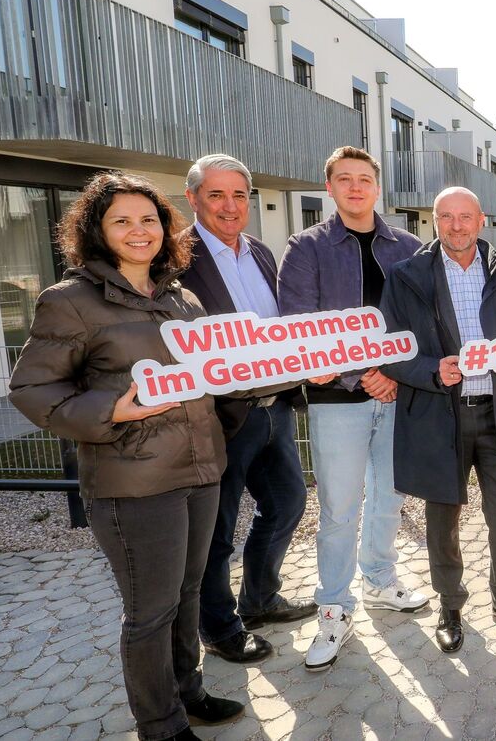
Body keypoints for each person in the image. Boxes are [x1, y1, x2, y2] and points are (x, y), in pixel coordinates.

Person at [9, 173, 244, 741]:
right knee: (150, 612)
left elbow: (217, 376)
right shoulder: (69, 302)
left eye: (149, 220)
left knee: (188, 595)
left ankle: (188, 693)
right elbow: (32, 392)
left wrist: (282, 368)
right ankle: (159, 726)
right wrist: (113, 410)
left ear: (165, 228)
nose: (139, 232)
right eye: (122, 221)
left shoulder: (181, 298)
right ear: (97, 230)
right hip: (133, 482)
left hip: (199, 471)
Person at [379, 186, 496, 653]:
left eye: (465, 217)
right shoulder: (406, 276)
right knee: (442, 515)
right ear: (434, 221)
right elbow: (390, 349)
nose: (457, 226)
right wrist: (431, 369)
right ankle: (450, 604)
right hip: (440, 414)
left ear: (481, 221)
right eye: (446, 217)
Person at [278, 146, 429, 671]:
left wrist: (392, 374)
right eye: (345, 179)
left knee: (390, 495)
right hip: (335, 399)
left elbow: (421, 323)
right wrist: (355, 372)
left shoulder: (408, 246)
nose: (356, 187)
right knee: (339, 510)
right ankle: (335, 607)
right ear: (331, 188)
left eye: (364, 178)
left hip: (396, 394)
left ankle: (381, 579)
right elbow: (299, 321)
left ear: (377, 187)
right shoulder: (307, 248)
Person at [177, 154, 316, 664]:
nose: (230, 206)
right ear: (192, 198)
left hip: (272, 408)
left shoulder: (259, 252)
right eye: (216, 194)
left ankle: (259, 599)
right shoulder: (175, 259)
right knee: (215, 533)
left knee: (287, 504)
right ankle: (219, 628)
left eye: (240, 195)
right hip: (218, 419)